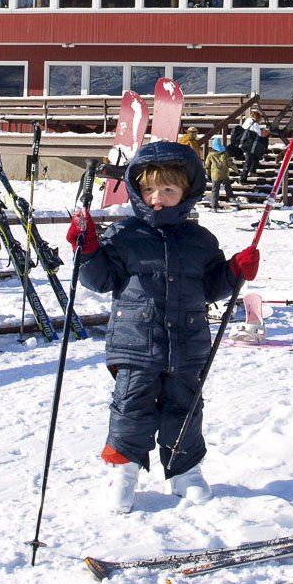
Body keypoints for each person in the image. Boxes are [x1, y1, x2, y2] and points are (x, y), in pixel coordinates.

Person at [66, 140, 260, 514]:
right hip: (136, 342)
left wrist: (235, 270)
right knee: (131, 407)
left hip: (188, 343)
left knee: (185, 407)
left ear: (186, 193)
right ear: (137, 192)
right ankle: (122, 473)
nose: (158, 197)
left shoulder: (200, 240)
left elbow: (211, 286)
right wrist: (86, 250)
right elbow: (100, 279)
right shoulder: (124, 235)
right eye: (150, 189)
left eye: (168, 190)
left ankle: (184, 473)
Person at [239, 110, 269, 185]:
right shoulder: (255, 124)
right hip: (251, 146)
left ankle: (252, 171)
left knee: (256, 156)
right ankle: (243, 179)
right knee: (248, 162)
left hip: (246, 144)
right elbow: (259, 134)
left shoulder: (247, 122)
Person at [204, 138, 235, 210]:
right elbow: (230, 163)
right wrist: (236, 170)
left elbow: (207, 166)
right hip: (224, 173)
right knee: (227, 185)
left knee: (215, 190)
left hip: (215, 174)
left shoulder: (210, 154)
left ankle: (214, 206)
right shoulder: (225, 153)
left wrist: (208, 175)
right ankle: (230, 197)